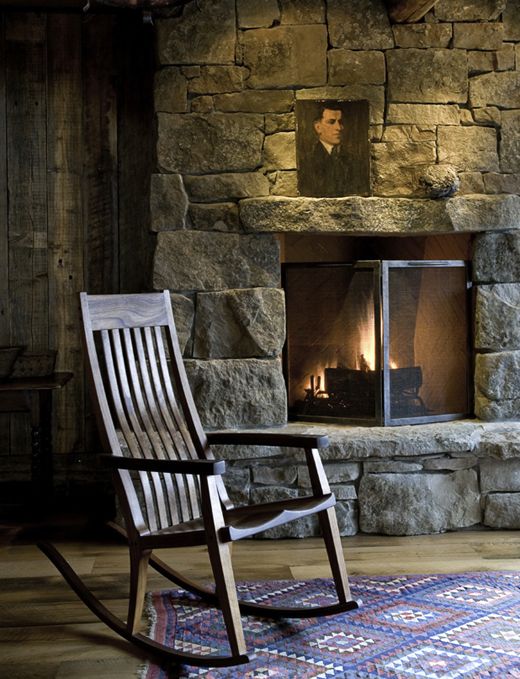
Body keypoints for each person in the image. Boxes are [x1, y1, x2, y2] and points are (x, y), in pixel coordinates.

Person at [298, 102, 352, 198]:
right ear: (318, 127)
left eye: (340, 122)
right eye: (331, 122)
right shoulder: (307, 161)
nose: (338, 128)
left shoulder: (352, 159)